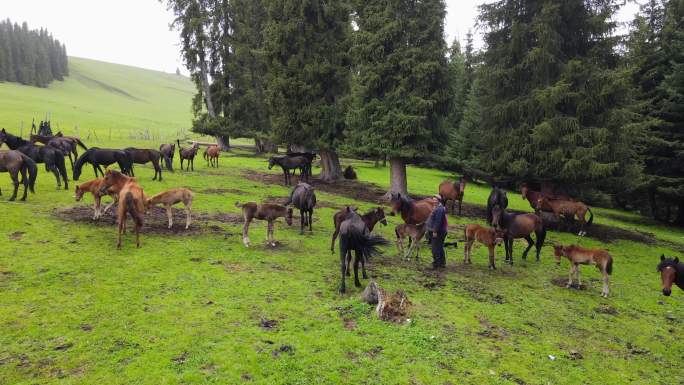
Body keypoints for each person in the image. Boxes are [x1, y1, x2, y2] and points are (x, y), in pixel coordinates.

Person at [426, 194, 448, 269]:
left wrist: (435, 231)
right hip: (438, 230)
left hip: (438, 232)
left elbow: (438, 221)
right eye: (433, 200)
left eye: (435, 200)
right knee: (440, 247)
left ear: (439, 201)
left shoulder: (439, 209)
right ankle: (442, 263)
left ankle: (436, 264)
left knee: (435, 248)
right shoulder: (437, 207)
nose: (434, 201)